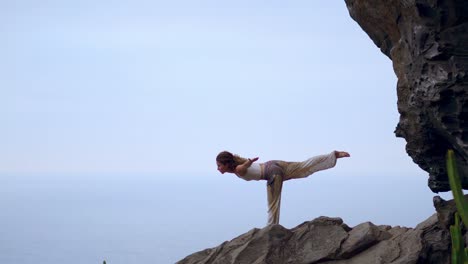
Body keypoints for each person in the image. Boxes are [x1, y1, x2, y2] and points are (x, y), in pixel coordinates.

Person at [216, 150, 350, 225]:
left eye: (219, 165)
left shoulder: (238, 169)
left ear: (227, 164)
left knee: (273, 203)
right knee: (303, 166)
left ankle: (271, 229)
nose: (218, 168)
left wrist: (249, 161)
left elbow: (243, 167)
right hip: (273, 164)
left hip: (272, 173)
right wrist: (249, 161)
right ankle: (332, 155)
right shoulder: (237, 166)